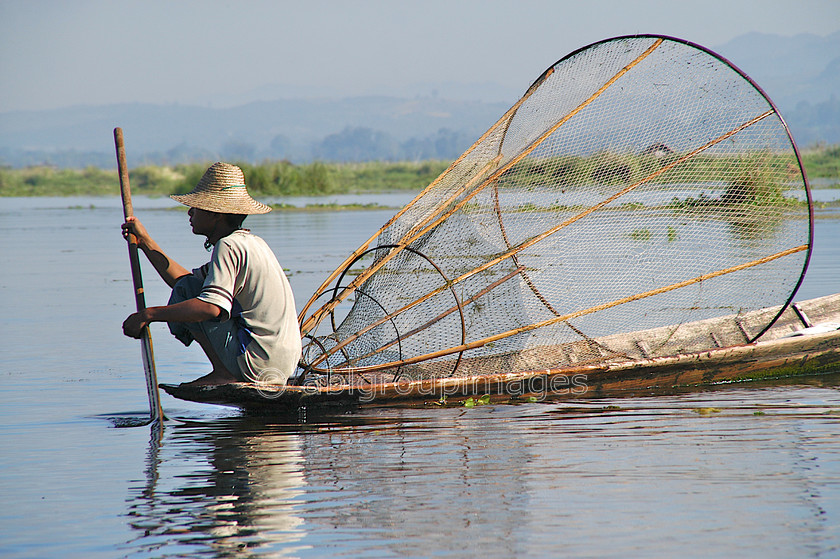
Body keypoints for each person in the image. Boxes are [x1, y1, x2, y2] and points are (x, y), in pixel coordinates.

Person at [122, 162, 302, 386]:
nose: (190, 212)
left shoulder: (228, 246)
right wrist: (145, 242)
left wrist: (147, 315)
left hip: (258, 364)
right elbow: (184, 283)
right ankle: (225, 369)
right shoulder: (250, 243)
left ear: (216, 214)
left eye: (196, 208)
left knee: (194, 298)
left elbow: (210, 307)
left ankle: (224, 373)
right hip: (280, 363)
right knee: (188, 289)